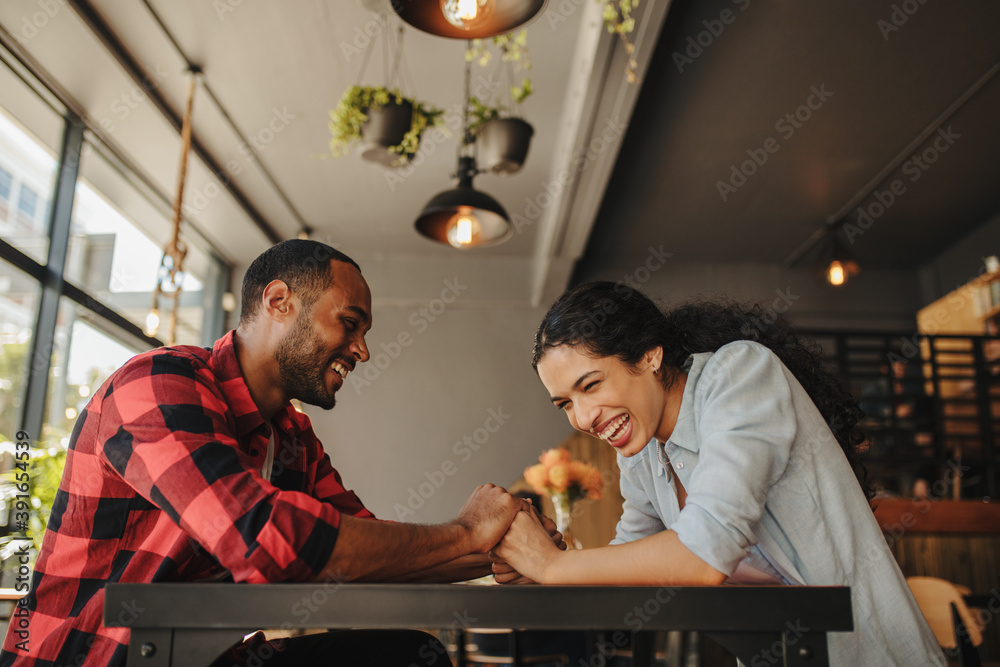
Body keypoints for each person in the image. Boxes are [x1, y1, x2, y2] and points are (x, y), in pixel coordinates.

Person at [1, 240, 548, 667]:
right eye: (350, 324)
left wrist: (507, 549)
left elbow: (371, 562)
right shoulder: (156, 383)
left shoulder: (292, 437)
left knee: (406, 655)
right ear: (279, 301)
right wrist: (466, 533)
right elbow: (260, 534)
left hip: (196, 658)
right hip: (95, 658)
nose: (363, 350)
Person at [491, 282, 945, 665]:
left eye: (590, 385)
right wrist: (539, 570)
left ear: (650, 356)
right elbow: (628, 565)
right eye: (565, 403)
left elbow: (705, 555)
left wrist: (554, 566)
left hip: (864, 652)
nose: (583, 418)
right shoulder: (642, 451)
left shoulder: (740, 373)